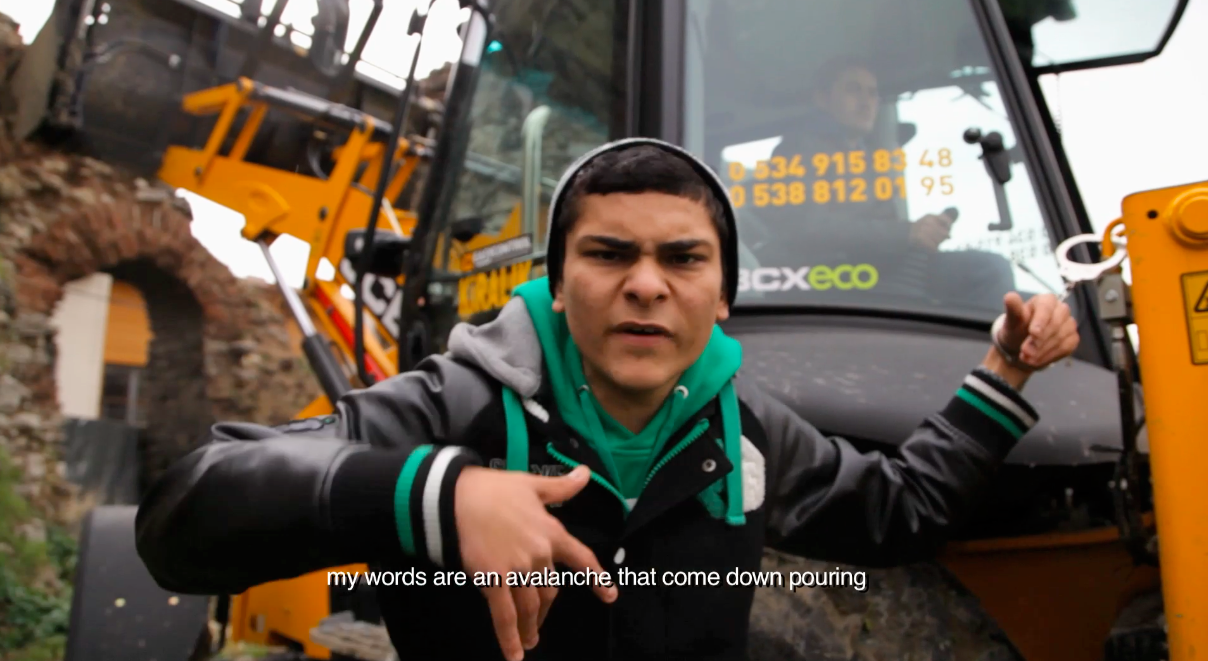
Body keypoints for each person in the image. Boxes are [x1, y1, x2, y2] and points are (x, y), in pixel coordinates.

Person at [135, 139, 1080, 661]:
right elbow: (187, 510)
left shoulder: (745, 429)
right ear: (557, 281)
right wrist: (439, 492)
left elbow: (899, 511)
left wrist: (1002, 376)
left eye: (683, 258)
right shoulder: (455, 404)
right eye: (609, 253)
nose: (646, 284)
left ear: (722, 294)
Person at [751, 57, 1016, 312]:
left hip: (888, 270)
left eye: (872, 93)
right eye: (853, 90)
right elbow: (805, 226)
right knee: (990, 271)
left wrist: (922, 234)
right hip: (842, 277)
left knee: (1020, 300)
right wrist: (905, 233)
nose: (866, 102)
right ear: (822, 98)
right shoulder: (798, 149)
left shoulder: (868, 158)